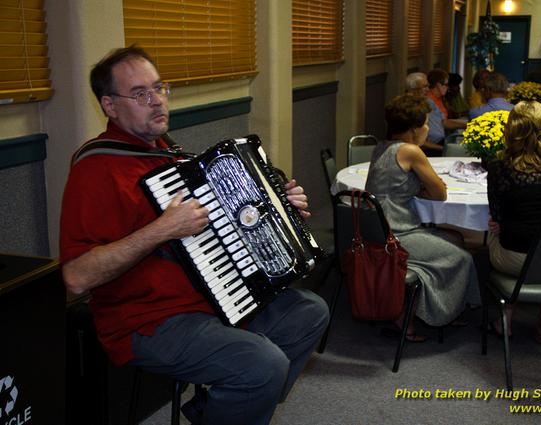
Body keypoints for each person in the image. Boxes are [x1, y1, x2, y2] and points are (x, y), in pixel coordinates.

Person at [59, 46, 329, 425]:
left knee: (310, 312)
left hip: (213, 300)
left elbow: (226, 226)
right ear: (109, 105)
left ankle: (224, 408)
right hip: (147, 321)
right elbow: (75, 277)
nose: (157, 101)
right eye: (140, 94)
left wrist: (280, 209)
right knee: (263, 363)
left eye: (159, 88)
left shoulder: (168, 154)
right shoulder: (95, 170)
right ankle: (242, 395)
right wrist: (161, 230)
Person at [365, 93, 480, 339]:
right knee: (464, 257)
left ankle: (453, 309)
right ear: (415, 129)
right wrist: (425, 187)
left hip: (377, 229)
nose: (429, 128)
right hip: (398, 233)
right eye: (426, 123)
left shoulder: (381, 147)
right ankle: (424, 314)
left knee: (456, 239)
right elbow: (440, 194)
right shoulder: (410, 151)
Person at [487, 101, 541, 335]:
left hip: (517, 257)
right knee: (518, 230)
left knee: (486, 237)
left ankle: (503, 315)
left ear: (512, 130)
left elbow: (497, 216)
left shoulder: (500, 167)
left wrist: (502, 224)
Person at [424, 68, 467, 149]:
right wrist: (466, 125)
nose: (448, 88)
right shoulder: (429, 102)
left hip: (443, 138)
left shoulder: (440, 98)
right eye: (446, 85)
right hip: (435, 144)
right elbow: (443, 123)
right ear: (438, 85)